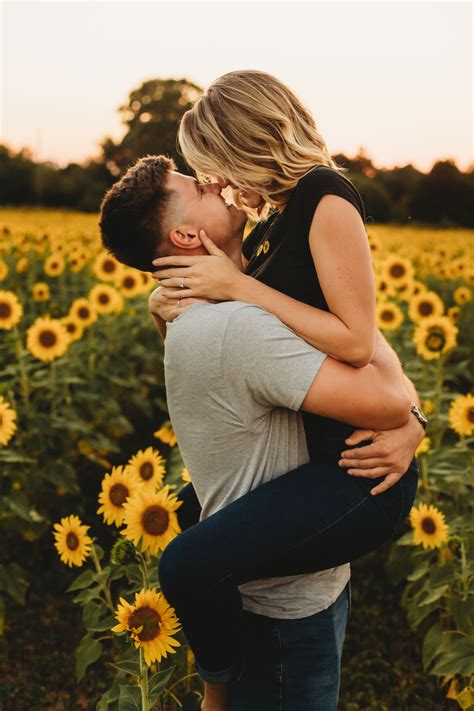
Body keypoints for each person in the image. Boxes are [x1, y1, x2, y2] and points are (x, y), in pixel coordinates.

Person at [99, 155, 424, 711]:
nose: (219, 181)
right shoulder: (236, 325)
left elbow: (350, 346)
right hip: (282, 616)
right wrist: (413, 420)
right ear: (185, 234)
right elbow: (385, 396)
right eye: (200, 186)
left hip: (291, 572)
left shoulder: (212, 305)